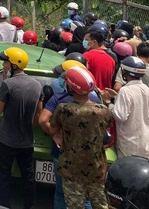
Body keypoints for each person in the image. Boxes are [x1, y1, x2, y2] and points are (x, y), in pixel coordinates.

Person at [39, 65, 100, 209]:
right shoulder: (96, 102)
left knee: (61, 193)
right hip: (88, 156)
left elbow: (42, 120)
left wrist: (53, 134)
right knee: (86, 196)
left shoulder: (59, 100)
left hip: (62, 154)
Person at [50, 66, 111, 209]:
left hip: (71, 169)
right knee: (100, 204)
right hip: (96, 168)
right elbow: (106, 129)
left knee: (74, 205)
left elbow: (53, 128)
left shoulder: (64, 109)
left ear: (71, 87)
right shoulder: (103, 110)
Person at [0, 47, 42, 209]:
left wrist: (3, 80)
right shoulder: (37, 86)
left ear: (14, 65)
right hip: (26, 142)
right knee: (28, 177)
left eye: (6, 62)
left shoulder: (8, 84)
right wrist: (28, 127)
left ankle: (4, 206)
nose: (4, 65)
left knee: (3, 177)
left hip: (6, 140)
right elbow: (38, 114)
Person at [107, 56, 149, 159]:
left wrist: (108, 103)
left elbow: (120, 116)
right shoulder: (147, 90)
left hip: (129, 142)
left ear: (124, 73)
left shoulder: (125, 91)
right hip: (145, 140)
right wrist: (116, 96)